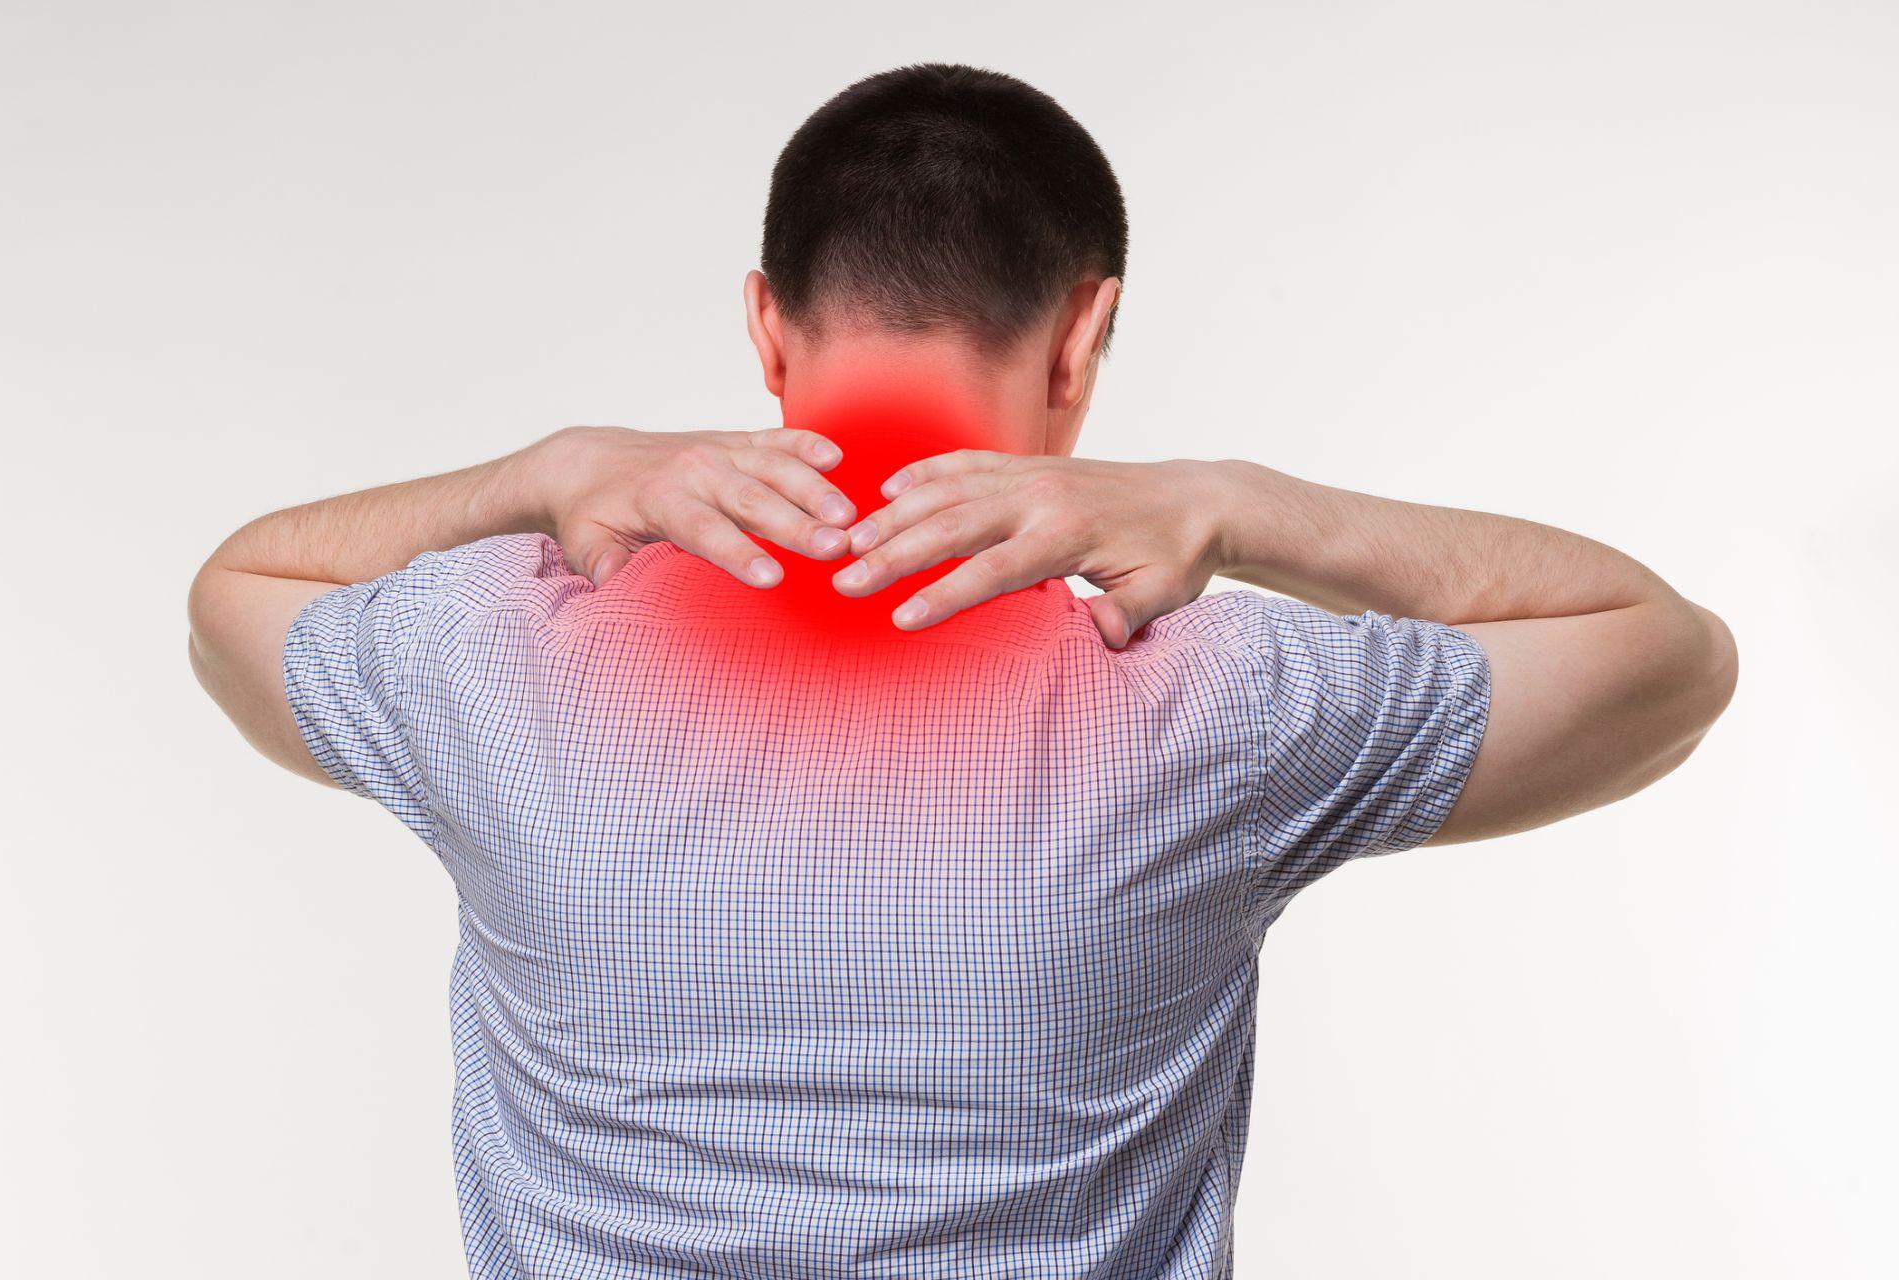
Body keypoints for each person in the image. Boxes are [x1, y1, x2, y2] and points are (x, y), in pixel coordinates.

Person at [188, 63, 1737, 1280]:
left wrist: (540, 476)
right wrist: (1232, 503)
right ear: (1084, 335)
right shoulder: (1206, 698)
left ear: (767, 331)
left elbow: (234, 597)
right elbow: (1668, 660)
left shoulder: (511, 658)